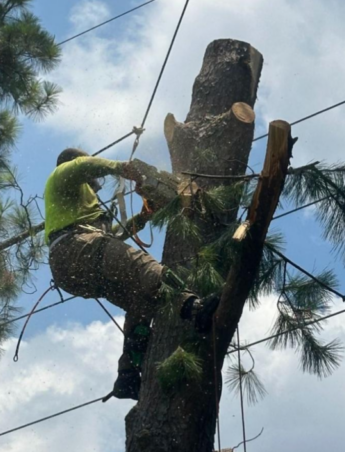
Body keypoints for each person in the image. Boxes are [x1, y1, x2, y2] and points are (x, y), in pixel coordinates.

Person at [44, 148, 219, 400]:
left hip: (73, 265)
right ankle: (194, 306)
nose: (96, 185)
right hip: (76, 248)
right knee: (144, 266)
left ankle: (127, 374)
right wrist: (124, 168)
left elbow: (111, 236)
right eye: (93, 179)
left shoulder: (71, 204)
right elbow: (83, 164)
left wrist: (144, 217)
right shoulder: (63, 174)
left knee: (141, 300)